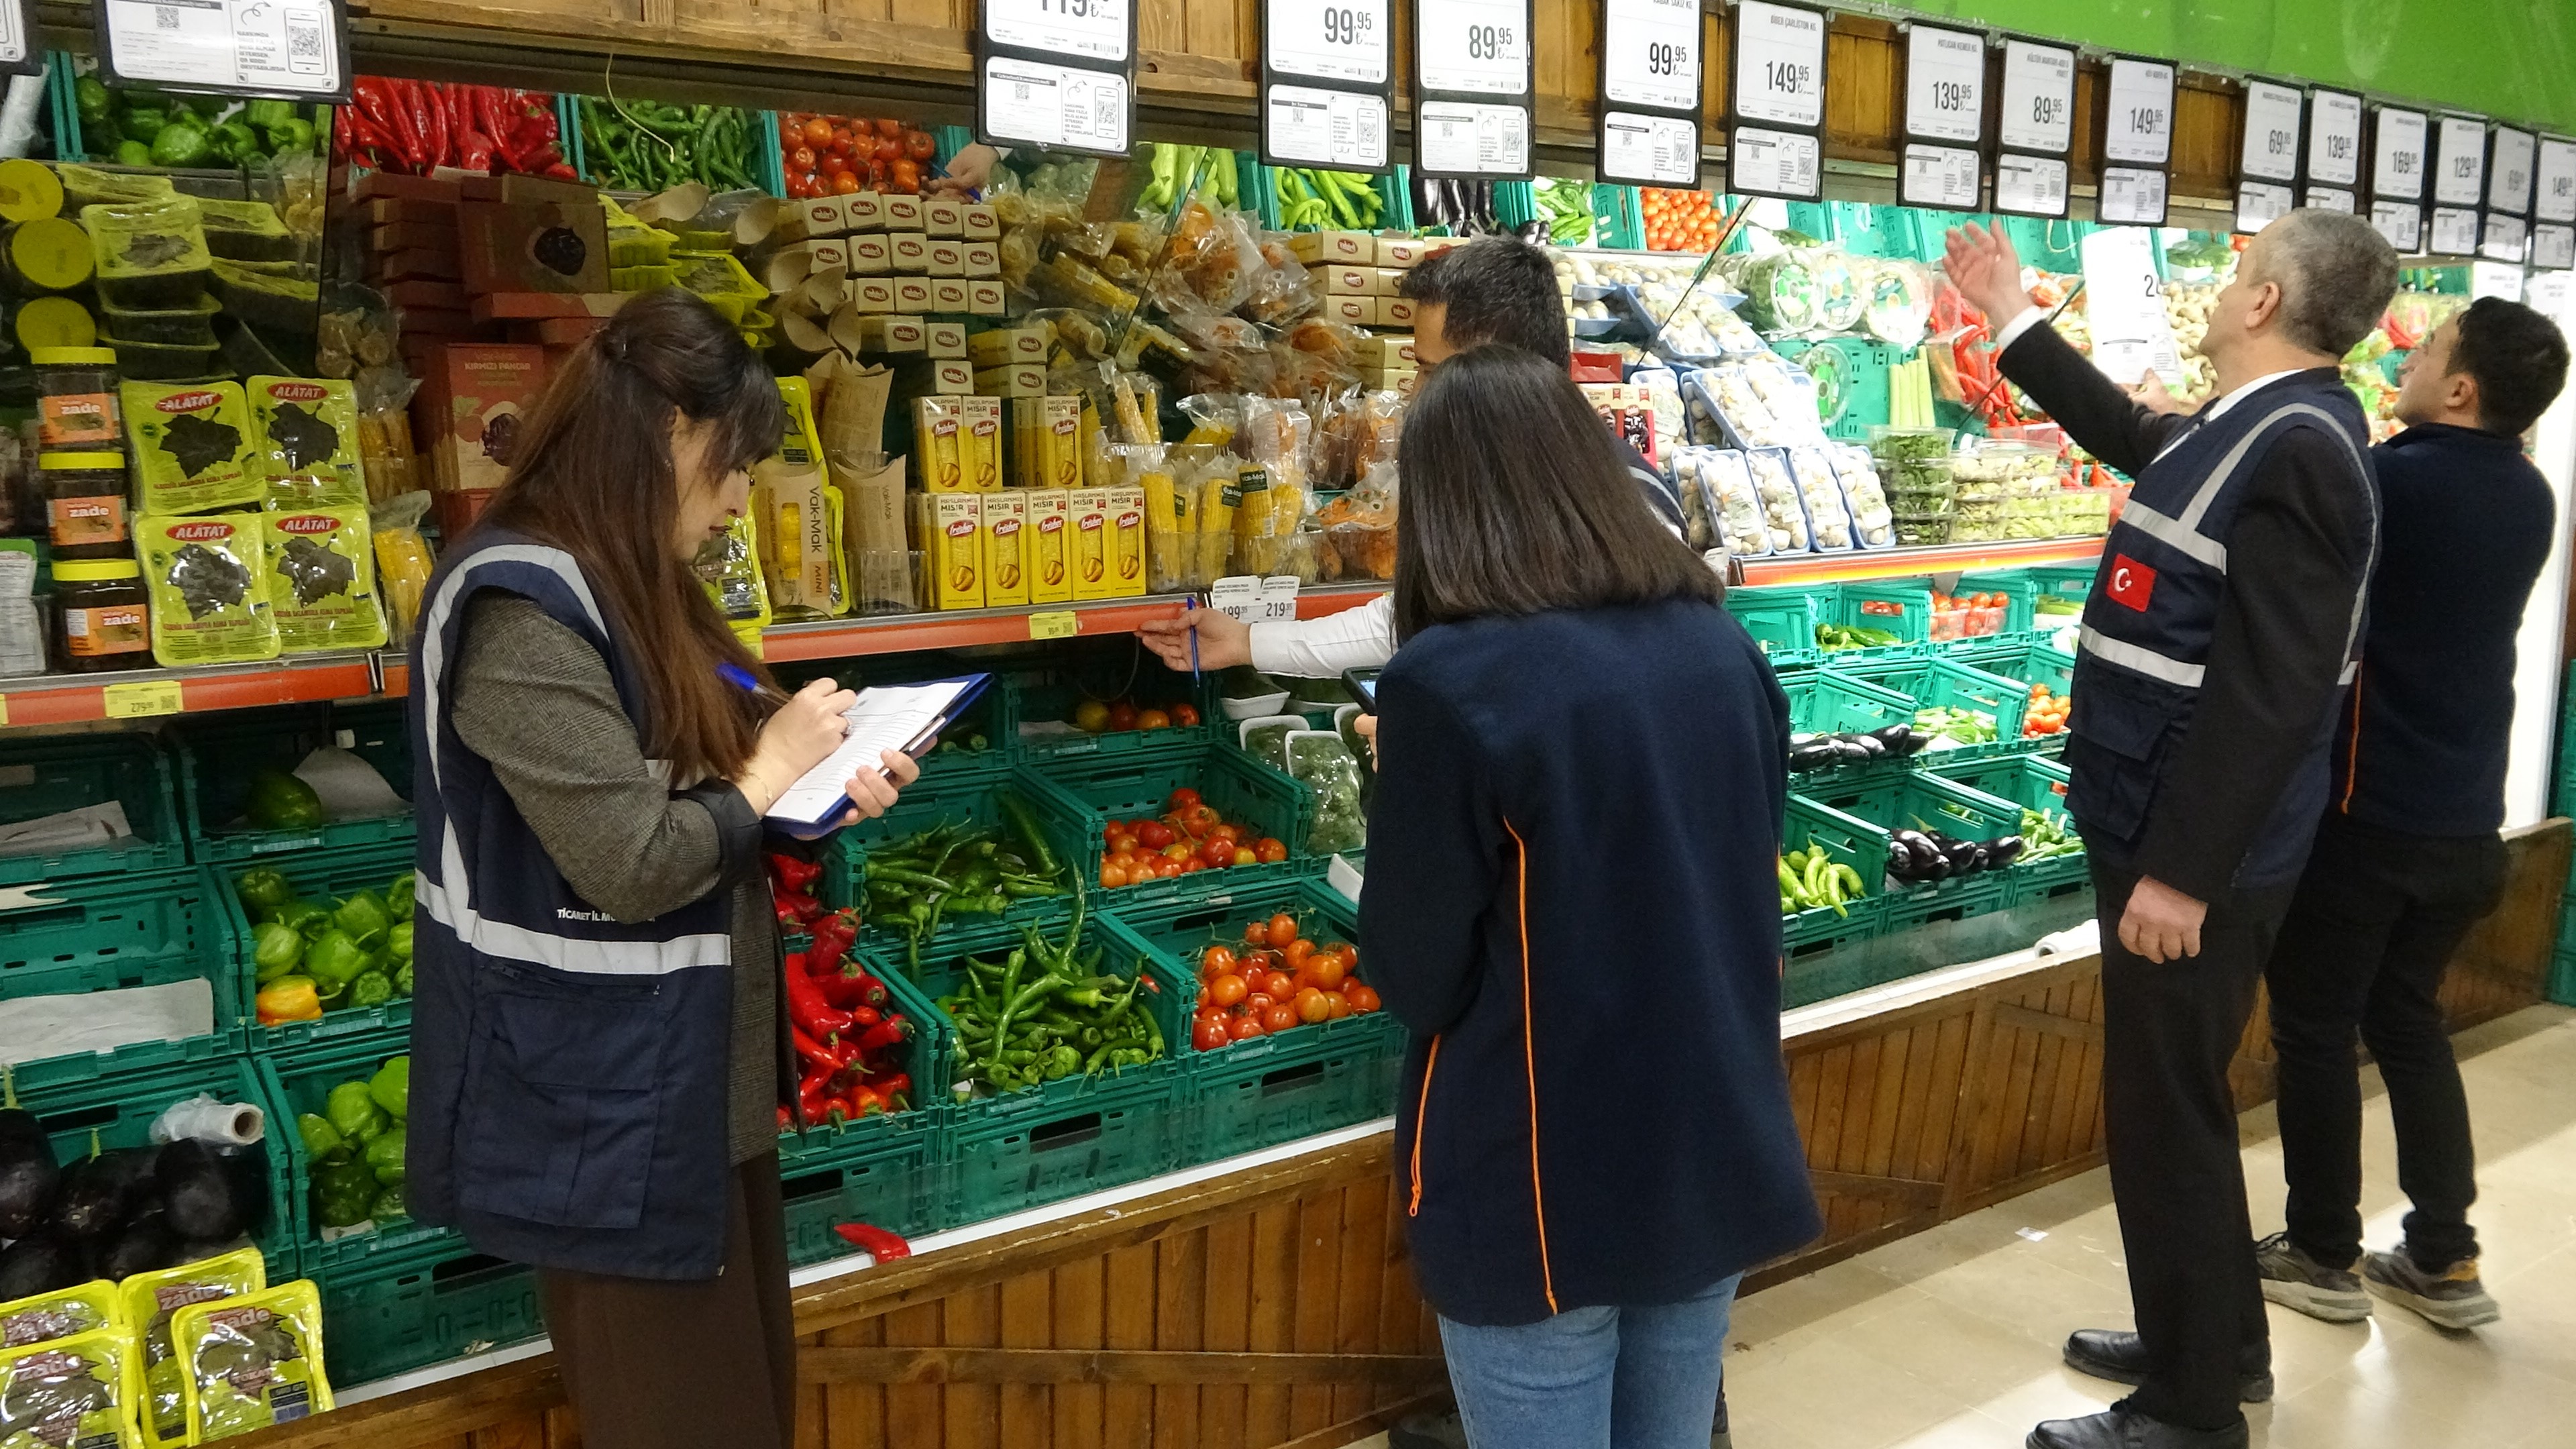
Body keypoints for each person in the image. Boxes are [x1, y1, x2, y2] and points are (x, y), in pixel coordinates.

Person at [403, 290, 918, 1449]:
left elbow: (713, 767)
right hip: (601, 1110)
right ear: (672, 433)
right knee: (681, 1421)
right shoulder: (521, 613)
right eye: (733, 465)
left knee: (739, 1410)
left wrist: (816, 779)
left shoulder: (633, 581)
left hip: (686, 1089)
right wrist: (762, 774)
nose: (739, 498)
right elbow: (636, 858)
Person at [1944, 210, 2396, 1449]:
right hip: (2156, 820)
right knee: (2168, 1104)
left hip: (2196, 854)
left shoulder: (2302, 445)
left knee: (2167, 1114)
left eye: (2234, 271)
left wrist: (2186, 879)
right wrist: (2013, 319)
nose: (2214, 286)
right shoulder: (2252, 420)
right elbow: (2139, 440)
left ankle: (2194, 1413)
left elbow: (2275, 691)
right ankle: (2214, 1338)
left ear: (2263, 302)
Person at [1360, 346, 1819, 1449]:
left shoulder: (1448, 684)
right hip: (1709, 1138)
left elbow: (1415, 971)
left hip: (1539, 1171)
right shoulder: (1720, 647)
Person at [2250, 298, 2569, 1333]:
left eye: (2429, 351)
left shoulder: (2396, 482)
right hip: (2467, 821)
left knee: (2314, 1027)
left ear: (2463, 388)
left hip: (2370, 814)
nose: (2411, 356)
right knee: (2407, 1022)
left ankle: (2322, 1252)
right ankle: (2443, 1253)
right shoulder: (2528, 493)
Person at [1137, 234, 1684, 680]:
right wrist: (1249, 642)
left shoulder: (1626, 504)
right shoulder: (1501, 482)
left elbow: (1590, 689)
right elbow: (1415, 618)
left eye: (1430, 370)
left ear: (1502, 372)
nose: (1416, 395)